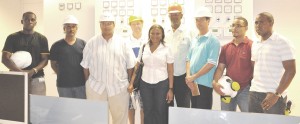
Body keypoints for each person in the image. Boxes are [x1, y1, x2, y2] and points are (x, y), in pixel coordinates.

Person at [80, 13, 136, 124]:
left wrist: (129, 82)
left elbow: (130, 66)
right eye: (103, 24)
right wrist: (88, 83)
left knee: (120, 119)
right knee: (96, 119)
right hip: (96, 88)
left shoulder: (123, 43)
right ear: (100, 25)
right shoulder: (92, 43)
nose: (106, 26)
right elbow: (85, 66)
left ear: (114, 25)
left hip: (118, 88)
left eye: (109, 23)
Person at [249, 12, 296, 115]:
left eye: (261, 22)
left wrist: (277, 94)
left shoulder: (282, 42)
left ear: (271, 23)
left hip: (273, 96)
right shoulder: (255, 44)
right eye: (256, 23)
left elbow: (291, 70)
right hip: (254, 93)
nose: (258, 25)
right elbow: (255, 67)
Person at [128, 24, 174, 124]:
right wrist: (131, 83)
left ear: (162, 35)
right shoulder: (144, 46)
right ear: (149, 34)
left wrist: (170, 89)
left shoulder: (167, 48)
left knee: (160, 111)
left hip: (162, 84)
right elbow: (137, 65)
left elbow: (170, 70)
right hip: (145, 84)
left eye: (158, 33)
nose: (155, 36)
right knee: (147, 111)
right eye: (152, 33)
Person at [2, 11, 49, 95]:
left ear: (35, 22)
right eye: (26, 19)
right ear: (22, 21)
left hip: (37, 78)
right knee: (17, 105)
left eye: (32, 19)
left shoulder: (42, 38)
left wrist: (33, 70)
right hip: (17, 78)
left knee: (38, 106)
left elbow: (45, 59)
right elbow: (5, 58)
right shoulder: (12, 37)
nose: (29, 21)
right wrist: (21, 73)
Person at [212, 17, 253, 112]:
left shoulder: (252, 46)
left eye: (238, 26)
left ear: (246, 28)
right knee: (226, 118)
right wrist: (215, 82)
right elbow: (220, 68)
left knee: (250, 118)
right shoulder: (225, 47)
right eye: (233, 25)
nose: (235, 28)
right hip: (227, 88)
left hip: (246, 90)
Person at [185, 6, 220, 109]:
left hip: (204, 85)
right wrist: (188, 77)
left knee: (203, 116)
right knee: (195, 114)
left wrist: (193, 76)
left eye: (201, 19)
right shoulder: (195, 39)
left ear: (208, 21)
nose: (198, 22)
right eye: (197, 20)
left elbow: (211, 64)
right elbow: (188, 59)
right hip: (193, 84)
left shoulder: (213, 40)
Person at [49, 15, 86, 99]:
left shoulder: (83, 44)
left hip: (80, 84)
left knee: (81, 109)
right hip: (63, 85)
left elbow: (86, 64)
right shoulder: (56, 45)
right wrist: (63, 74)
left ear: (77, 28)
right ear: (64, 29)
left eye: (73, 26)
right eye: (68, 27)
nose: (71, 29)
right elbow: (53, 64)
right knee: (66, 109)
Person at [164, 3, 192, 108]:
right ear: (169, 16)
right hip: (166, 77)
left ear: (181, 15)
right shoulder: (164, 33)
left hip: (183, 77)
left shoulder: (189, 33)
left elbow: (192, 55)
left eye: (176, 14)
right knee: (166, 108)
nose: (174, 17)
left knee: (183, 108)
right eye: (172, 14)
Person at [126, 15, 145, 124]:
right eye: (134, 24)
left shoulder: (148, 39)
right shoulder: (125, 41)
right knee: (130, 105)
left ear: (142, 24)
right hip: (130, 77)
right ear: (130, 26)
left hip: (144, 78)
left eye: (138, 23)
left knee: (143, 105)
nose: (137, 26)